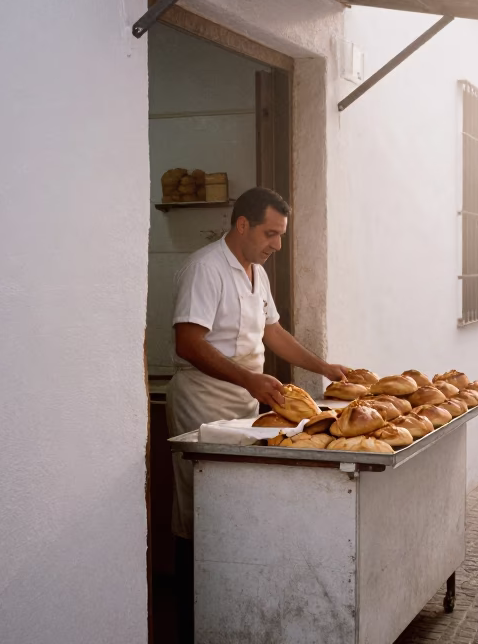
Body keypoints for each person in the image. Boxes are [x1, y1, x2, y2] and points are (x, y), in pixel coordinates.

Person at [165, 186, 347, 640]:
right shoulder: (206, 268)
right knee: (199, 506)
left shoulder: (256, 272)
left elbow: (274, 334)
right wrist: (250, 381)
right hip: (203, 400)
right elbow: (188, 342)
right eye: (270, 233)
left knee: (235, 502)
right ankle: (191, 617)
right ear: (242, 224)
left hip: (245, 402)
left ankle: (233, 600)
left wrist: (323, 368)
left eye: (281, 235)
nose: (277, 245)